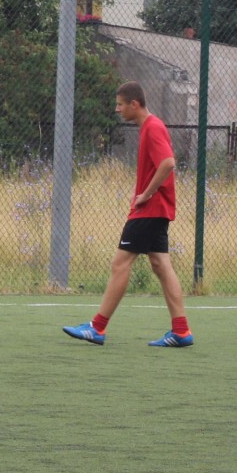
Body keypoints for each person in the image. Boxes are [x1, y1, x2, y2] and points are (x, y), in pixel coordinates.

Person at [63, 81, 193, 347]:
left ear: (134, 104)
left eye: (120, 104)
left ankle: (97, 327)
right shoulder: (150, 127)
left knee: (120, 264)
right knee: (160, 264)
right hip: (157, 209)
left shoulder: (153, 127)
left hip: (149, 210)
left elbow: (168, 162)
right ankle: (181, 331)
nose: (117, 109)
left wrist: (145, 194)